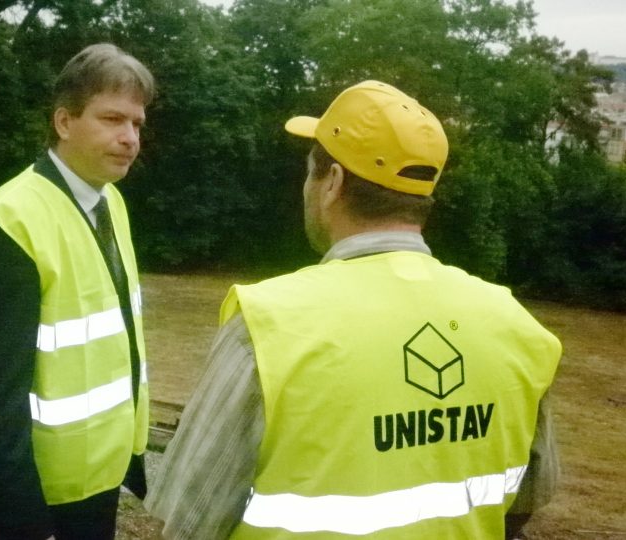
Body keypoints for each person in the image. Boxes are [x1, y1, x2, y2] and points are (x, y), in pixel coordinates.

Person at [146, 80, 561, 539]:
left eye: (310, 172)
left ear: (332, 183)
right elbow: (522, 502)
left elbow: (190, 516)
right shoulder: (517, 328)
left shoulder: (269, 325)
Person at [0, 43, 154, 540]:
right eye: (112, 119)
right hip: (34, 499)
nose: (129, 138)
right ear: (64, 122)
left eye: (137, 123)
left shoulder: (110, 204)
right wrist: (23, 524)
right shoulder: (10, 223)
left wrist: (128, 460)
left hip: (94, 480)